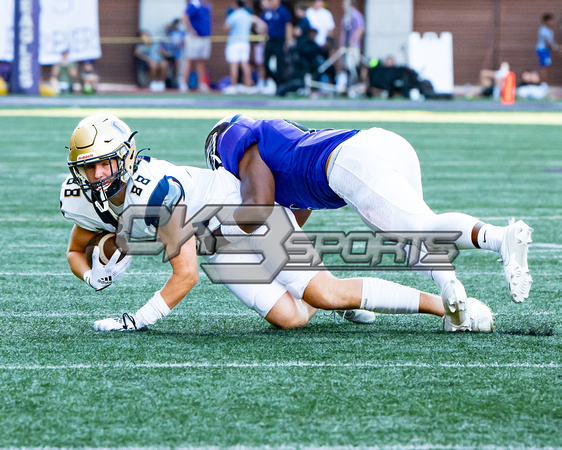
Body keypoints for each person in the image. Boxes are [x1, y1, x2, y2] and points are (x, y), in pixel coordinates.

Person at [60, 113, 494, 332]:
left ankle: (450, 308)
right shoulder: (82, 195)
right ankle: (348, 299)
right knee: (292, 318)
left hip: (242, 219)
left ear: (126, 156)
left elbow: (185, 274)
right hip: (218, 244)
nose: (98, 176)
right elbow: (76, 250)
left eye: (105, 164)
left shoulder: (154, 188)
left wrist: (137, 319)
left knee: (326, 293)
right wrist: (91, 277)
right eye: (90, 167)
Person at [204, 115, 533, 332]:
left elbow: (257, 207)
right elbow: (293, 223)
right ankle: (452, 296)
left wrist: (211, 232)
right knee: (411, 241)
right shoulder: (275, 143)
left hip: (350, 162)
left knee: (421, 228)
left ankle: (499, 237)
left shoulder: (237, 141)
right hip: (381, 144)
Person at [223, 0, 266, 94]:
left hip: (234, 42)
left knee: (234, 64)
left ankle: (233, 86)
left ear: (236, 5)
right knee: (245, 64)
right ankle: (247, 86)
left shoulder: (234, 14)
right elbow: (262, 24)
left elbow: (226, 28)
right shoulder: (247, 15)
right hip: (245, 43)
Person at [180, 0, 213, 92]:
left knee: (201, 60)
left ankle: (202, 84)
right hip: (194, 38)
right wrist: (190, 30)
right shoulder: (195, 4)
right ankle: (184, 84)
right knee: (189, 60)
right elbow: (185, 16)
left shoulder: (207, 5)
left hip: (205, 37)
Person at [260, 0, 293, 90]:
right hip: (270, 40)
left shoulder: (283, 11)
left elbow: (288, 25)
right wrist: (262, 37)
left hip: (280, 40)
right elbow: (263, 25)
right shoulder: (267, 11)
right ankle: (277, 81)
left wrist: (288, 40)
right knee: (266, 64)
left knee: (280, 64)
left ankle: (280, 85)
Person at [536, 13, 558, 84]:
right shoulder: (543, 29)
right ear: (546, 21)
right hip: (543, 50)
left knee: (546, 67)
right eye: (550, 20)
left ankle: (544, 83)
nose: (551, 22)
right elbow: (547, 41)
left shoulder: (549, 30)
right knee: (544, 67)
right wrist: (555, 46)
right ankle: (543, 84)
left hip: (547, 50)